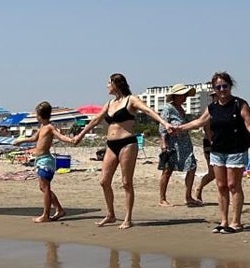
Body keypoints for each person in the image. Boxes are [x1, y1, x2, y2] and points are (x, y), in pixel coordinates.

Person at [70, 73, 173, 229]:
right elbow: (96, 119)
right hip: (111, 145)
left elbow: (148, 111)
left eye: (108, 83)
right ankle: (110, 215)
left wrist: (164, 123)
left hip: (128, 144)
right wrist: (80, 135)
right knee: (104, 181)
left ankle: (128, 218)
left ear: (116, 84)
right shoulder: (110, 103)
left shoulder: (131, 100)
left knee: (126, 182)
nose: (107, 86)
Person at [173, 71, 250, 234]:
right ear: (214, 89)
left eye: (225, 86)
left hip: (236, 150)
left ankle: (236, 222)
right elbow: (199, 122)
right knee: (221, 185)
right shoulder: (212, 107)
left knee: (233, 185)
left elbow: (249, 124)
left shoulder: (240, 104)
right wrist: (180, 128)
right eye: (218, 87)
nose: (222, 89)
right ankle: (223, 221)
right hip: (218, 150)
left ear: (230, 86)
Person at [14, 101, 78, 222]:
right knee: (43, 187)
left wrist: (71, 140)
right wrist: (20, 141)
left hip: (46, 161)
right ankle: (59, 210)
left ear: (40, 115)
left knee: (45, 187)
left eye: (37, 115)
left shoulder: (49, 127)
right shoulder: (42, 127)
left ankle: (46, 215)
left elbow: (60, 136)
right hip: (40, 160)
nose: (36, 117)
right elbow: (34, 138)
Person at [158, 84, 201, 207]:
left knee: (192, 167)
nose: (185, 97)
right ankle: (162, 198)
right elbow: (162, 127)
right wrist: (164, 143)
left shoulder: (181, 109)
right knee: (167, 170)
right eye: (183, 95)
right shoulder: (168, 108)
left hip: (185, 144)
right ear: (176, 96)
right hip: (172, 144)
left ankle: (188, 197)